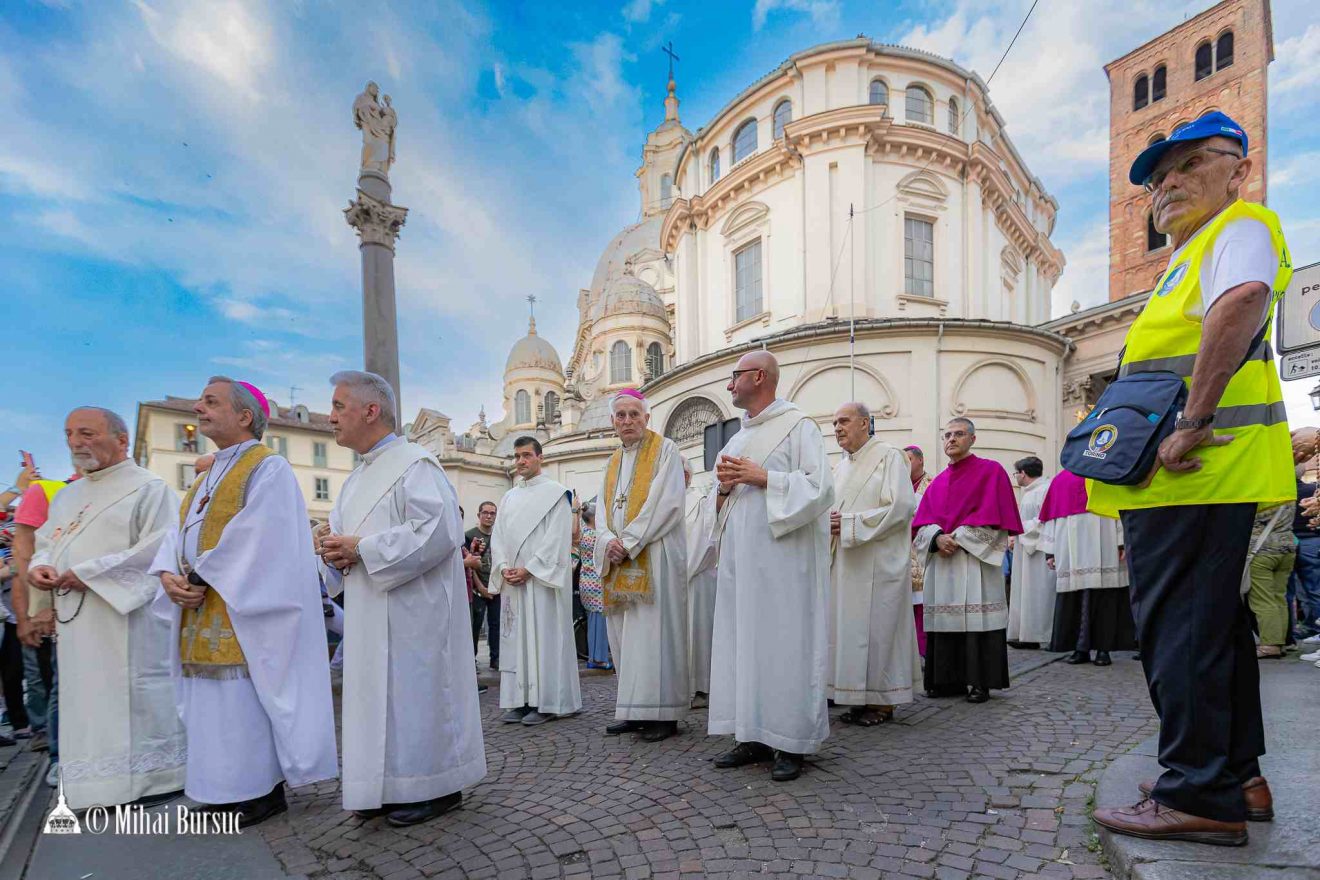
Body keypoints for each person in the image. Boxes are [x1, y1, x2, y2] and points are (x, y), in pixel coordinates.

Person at [1090, 112, 1293, 845]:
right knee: (1212, 630)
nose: (1167, 184)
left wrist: (1194, 420)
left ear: (1238, 169)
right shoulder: (1197, 250)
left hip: (1195, 467)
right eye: (1156, 178)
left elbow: (1240, 302)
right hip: (1196, 473)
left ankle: (1197, 792)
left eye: (1188, 165)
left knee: (1179, 633)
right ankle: (1235, 776)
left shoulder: (1239, 226)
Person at [149, 377, 337, 827]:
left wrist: (200, 574)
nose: (198, 408)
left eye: (210, 402)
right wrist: (168, 575)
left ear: (244, 416)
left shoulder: (268, 468)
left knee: (243, 700)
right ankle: (217, 789)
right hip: (200, 602)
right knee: (210, 705)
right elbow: (177, 533)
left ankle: (260, 791)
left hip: (243, 608)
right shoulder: (204, 478)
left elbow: (261, 533)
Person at [316, 371, 485, 827]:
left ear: (371, 411)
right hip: (369, 612)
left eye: (338, 406)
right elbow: (345, 545)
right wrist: (330, 550)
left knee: (415, 697)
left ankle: (437, 785)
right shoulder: (354, 480)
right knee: (375, 699)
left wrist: (362, 549)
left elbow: (438, 532)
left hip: (415, 613)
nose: (330, 417)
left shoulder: (416, 465)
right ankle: (384, 786)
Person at [26, 407, 185, 809]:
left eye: (87, 433)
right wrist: (39, 566)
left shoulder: (149, 489)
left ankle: (154, 780)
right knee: (84, 701)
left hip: (126, 620)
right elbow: (47, 543)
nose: (75, 442)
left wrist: (89, 573)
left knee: (131, 696)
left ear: (121, 440)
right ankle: (92, 787)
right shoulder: (67, 496)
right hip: (78, 623)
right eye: (69, 434)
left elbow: (159, 549)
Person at [707, 351, 833, 782]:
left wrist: (765, 478)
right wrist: (723, 491)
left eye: (735, 376)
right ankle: (752, 735)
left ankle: (792, 741)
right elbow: (718, 503)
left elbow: (820, 488)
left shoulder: (799, 426)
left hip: (785, 566)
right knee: (746, 645)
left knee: (785, 645)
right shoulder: (736, 440)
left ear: (759, 377)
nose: (730, 385)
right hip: (742, 566)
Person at [594, 389, 689, 743]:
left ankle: (663, 714)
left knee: (655, 636)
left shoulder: (666, 450)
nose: (628, 421)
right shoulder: (611, 462)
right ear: (612, 422)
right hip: (618, 561)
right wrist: (607, 541)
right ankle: (633, 709)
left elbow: (667, 503)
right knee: (625, 638)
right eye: (621, 415)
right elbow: (601, 510)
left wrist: (629, 541)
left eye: (634, 414)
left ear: (647, 418)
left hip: (656, 555)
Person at [912, 418, 1021, 704]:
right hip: (943, 562)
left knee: (977, 620)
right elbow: (920, 524)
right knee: (944, 620)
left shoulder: (991, 471)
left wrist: (958, 538)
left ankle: (980, 682)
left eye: (959, 434)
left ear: (972, 439)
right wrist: (936, 538)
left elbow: (998, 518)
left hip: (974, 560)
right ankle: (946, 681)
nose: (951, 439)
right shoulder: (937, 483)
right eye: (947, 435)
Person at [827, 402, 919, 727]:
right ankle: (857, 696)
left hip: (879, 562)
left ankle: (882, 702)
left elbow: (901, 506)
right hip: (847, 563)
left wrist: (849, 523)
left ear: (865, 423)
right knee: (850, 631)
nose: (837, 428)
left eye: (844, 421)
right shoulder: (839, 468)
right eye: (834, 423)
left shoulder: (889, 456)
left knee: (879, 630)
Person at [489, 436, 581, 725]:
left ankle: (548, 702)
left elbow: (557, 538)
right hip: (514, 582)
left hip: (542, 582)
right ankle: (520, 701)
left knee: (544, 639)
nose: (521, 461)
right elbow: (498, 537)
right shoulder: (509, 497)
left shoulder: (556, 494)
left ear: (540, 457)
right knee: (517, 641)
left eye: (527, 455)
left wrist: (530, 569)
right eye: (517, 456)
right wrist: (503, 566)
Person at [1041, 470, 1133, 665]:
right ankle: (1079, 648)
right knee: (1075, 600)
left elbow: (1117, 510)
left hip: (1105, 543)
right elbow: (1052, 516)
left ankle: (1103, 649)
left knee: (1105, 598)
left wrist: (1120, 541)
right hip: (1070, 547)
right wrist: (1050, 551)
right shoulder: (1061, 479)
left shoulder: (1105, 473)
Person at [1006, 457, 1053, 649]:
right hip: (1026, 549)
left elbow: (1044, 521)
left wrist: (1017, 528)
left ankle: (1039, 636)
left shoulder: (1045, 490)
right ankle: (1026, 634)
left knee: (1039, 593)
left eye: (1016, 473)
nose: (1016, 477)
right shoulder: (1031, 492)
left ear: (1023, 473)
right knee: (1025, 592)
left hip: (1039, 552)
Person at [683, 457, 716, 707]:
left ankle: (702, 688)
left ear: (686, 476)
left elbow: (705, 543)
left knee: (699, 633)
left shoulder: (700, 502)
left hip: (697, 578)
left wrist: (682, 574)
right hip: (675, 582)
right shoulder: (664, 503)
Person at [465, 501, 500, 670]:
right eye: (485, 513)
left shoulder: (499, 537)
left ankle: (496, 658)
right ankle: (470, 660)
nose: (489, 516)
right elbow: (469, 565)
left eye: (492, 513)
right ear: (479, 515)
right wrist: (480, 588)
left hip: (496, 587)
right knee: (475, 625)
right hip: (477, 589)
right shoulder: (469, 536)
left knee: (496, 624)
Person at [905, 446, 931, 657]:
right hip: (901, 552)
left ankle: (924, 653)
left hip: (923, 552)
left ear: (920, 460)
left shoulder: (932, 485)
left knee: (923, 606)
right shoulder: (899, 485)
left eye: (909, 459)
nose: (905, 464)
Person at [578, 503, 610, 670]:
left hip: (585, 581)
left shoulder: (583, 533)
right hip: (597, 582)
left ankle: (594, 656)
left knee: (593, 621)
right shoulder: (597, 536)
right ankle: (598, 659)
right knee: (599, 622)